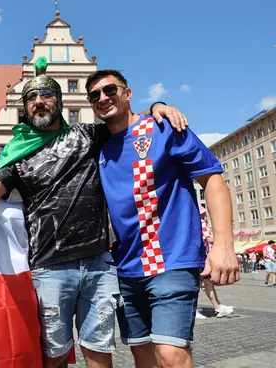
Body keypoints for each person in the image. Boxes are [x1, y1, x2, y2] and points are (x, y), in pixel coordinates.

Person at [0, 58, 186, 368]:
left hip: (99, 264)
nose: (39, 102)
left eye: (46, 95)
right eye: (31, 98)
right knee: (54, 355)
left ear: (59, 101)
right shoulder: (17, 154)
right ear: (25, 108)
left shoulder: (88, 135)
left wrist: (156, 107)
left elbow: (124, 120)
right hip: (49, 268)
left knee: (98, 352)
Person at [86, 69, 239, 368]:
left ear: (127, 93)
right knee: (143, 358)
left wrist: (223, 245)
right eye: (95, 96)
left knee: (170, 355)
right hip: (126, 270)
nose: (103, 98)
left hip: (172, 261)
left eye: (110, 90)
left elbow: (213, 180)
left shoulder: (162, 127)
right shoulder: (99, 145)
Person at [196, 206, 234, 319]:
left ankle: (217, 307)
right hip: (200, 257)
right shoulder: (201, 222)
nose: (205, 216)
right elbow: (209, 239)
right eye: (204, 213)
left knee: (207, 283)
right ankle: (194, 310)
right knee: (199, 284)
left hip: (199, 256)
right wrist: (223, 237)